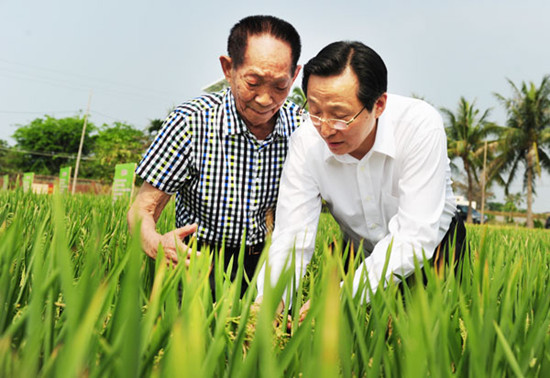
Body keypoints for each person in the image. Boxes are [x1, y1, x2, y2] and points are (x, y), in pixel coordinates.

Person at [257, 41, 466, 316]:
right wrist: (272, 300)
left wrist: (343, 296)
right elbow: (292, 236)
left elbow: (415, 234)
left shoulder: (419, 126)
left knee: (429, 341)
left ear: (378, 105)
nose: (326, 129)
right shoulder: (306, 142)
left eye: (341, 116)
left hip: (435, 250)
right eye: (316, 111)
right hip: (360, 251)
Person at [127, 15, 302, 296]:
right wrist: (154, 241)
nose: (266, 99)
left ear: (295, 76)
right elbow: (142, 210)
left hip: (269, 265)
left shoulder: (302, 129)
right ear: (228, 68)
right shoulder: (191, 122)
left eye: (280, 86)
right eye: (253, 82)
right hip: (197, 261)